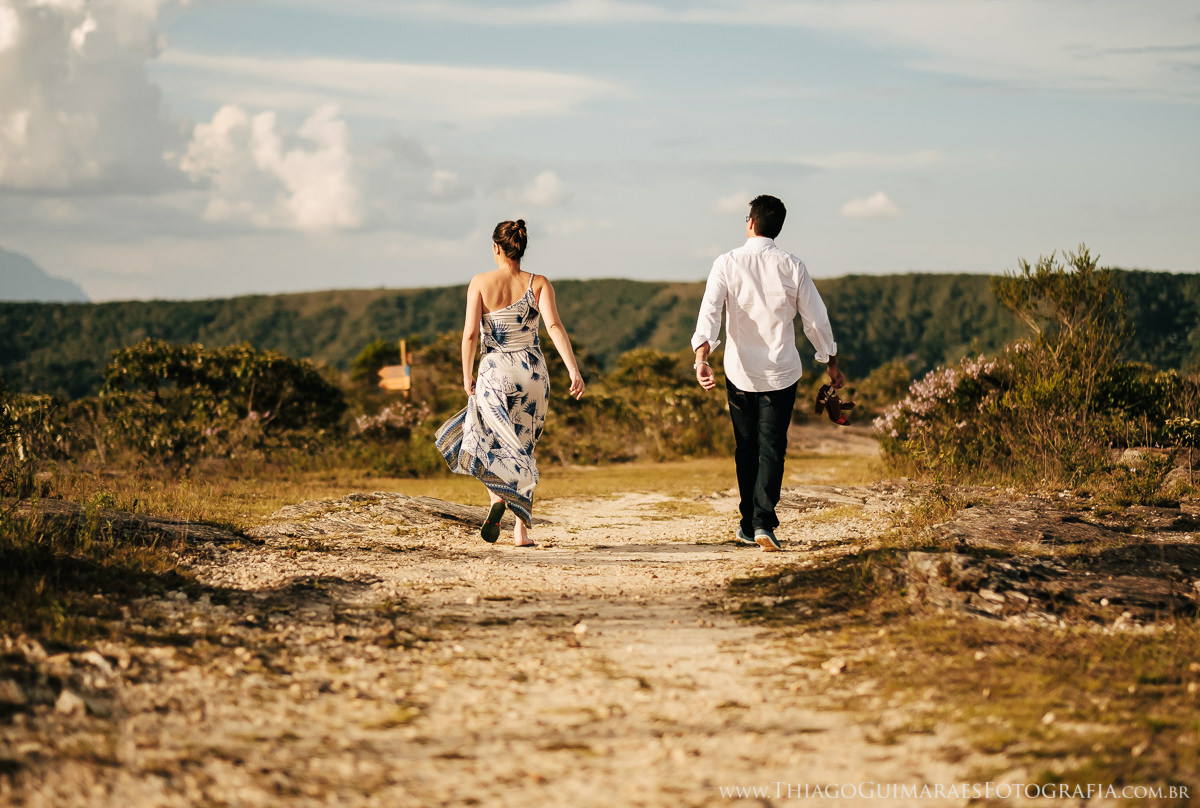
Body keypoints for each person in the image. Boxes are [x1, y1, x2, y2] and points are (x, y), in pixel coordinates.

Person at [691, 195, 844, 552]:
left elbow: (710, 312)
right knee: (772, 448)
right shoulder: (793, 265)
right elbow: (816, 320)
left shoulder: (726, 262)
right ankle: (761, 521)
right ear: (777, 227)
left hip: (740, 372)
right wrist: (830, 360)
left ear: (750, 222)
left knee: (746, 448)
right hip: (781, 372)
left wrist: (702, 357)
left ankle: (749, 523)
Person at [435, 219, 586, 547]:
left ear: (496, 248)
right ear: (521, 248)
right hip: (532, 374)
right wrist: (573, 370)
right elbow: (555, 327)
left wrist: (466, 373)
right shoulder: (539, 283)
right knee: (523, 447)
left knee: (490, 441)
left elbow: (470, 334)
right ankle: (521, 531)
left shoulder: (480, 282)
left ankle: (496, 499)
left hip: (494, 372)